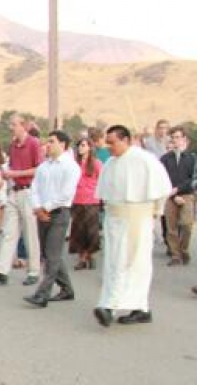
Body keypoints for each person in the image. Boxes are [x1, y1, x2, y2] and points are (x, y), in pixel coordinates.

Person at [94, 125, 172, 327]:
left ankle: (110, 307)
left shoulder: (144, 160)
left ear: (126, 140)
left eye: (113, 142)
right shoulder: (110, 163)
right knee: (114, 263)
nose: (109, 147)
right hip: (114, 221)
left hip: (136, 221)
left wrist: (156, 212)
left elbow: (162, 188)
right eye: (107, 142)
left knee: (131, 264)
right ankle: (140, 308)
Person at [0, 115, 45, 286]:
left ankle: (34, 270)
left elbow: (38, 168)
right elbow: (13, 167)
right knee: (10, 232)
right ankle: (1, 270)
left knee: (30, 233)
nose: (12, 128)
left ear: (23, 126)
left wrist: (16, 174)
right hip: (14, 190)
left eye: (14, 125)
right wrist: (6, 175)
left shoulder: (33, 143)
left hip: (28, 190)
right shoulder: (13, 146)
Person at [23, 130, 81, 308]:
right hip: (42, 214)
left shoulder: (70, 167)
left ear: (62, 144)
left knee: (52, 256)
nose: (47, 145)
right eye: (47, 142)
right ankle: (67, 289)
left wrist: (45, 208)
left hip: (59, 214)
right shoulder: (43, 167)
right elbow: (34, 189)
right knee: (50, 254)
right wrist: (37, 208)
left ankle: (42, 294)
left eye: (51, 142)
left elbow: (66, 194)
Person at [159, 126, 197, 266]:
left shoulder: (192, 158)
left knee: (187, 224)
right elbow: (162, 178)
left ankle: (184, 250)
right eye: (172, 137)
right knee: (171, 227)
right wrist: (172, 194)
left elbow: (193, 179)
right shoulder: (164, 159)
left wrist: (179, 189)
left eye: (177, 137)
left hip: (187, 195)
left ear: (184, 139)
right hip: (170, 196)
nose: (175, 140)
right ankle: (175, 255)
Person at [69, 137, 103, 270]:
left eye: (83, 145)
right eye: (79, 145)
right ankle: (82, 258)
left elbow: (102, 179)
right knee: (78, 231)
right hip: (77, 199)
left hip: (91, 200)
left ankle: (90, 254)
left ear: (89, 147)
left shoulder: (96, 163)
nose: (81, 148)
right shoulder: (74, 164)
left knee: (91, 231)